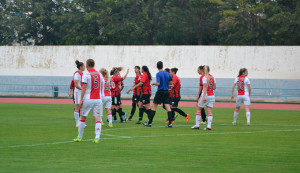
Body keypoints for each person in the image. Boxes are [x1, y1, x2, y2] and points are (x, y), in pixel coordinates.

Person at [74, 59, 103, 143]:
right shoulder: (99, 74)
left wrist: (81, 100)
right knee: (97, 119)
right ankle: (97, 138)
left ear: (87, 65)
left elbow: (84, 88)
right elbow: (101, 86)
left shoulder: (86, 74)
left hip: (88, 99)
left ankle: (79, 137)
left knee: (82, 118)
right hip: (98, 99)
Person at [143, 61, 173, 128]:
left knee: (154, 107)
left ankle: (149, 123)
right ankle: (170, 123)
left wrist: (153, 83)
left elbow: (158, 83)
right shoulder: (167, 73)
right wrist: (165, 84)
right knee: (168, 108)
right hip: (166, 92)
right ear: (162, 66)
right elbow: (171, 83)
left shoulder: (158, 74)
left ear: (157, 67)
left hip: (160, 92)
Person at [192, 65, 216, 130]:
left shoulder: (204, 77)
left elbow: (204, 87)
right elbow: (214, 87)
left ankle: (197, 125)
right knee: (209, 111)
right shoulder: (213, 77)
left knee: (199, 109)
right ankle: (209, 126)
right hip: (212, 96)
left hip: (205, 95)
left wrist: (204, 96)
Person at [73, 60, 85, 127]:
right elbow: (76, 85)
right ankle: (77, 123)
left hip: (82, 92)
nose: (84, 67)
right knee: (77, 106)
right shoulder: (77, 74)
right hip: (78, 92)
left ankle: (81, 122)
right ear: (80, 67)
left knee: (82, 106)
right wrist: (82, 89)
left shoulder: (83, 74)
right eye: (83, 66)